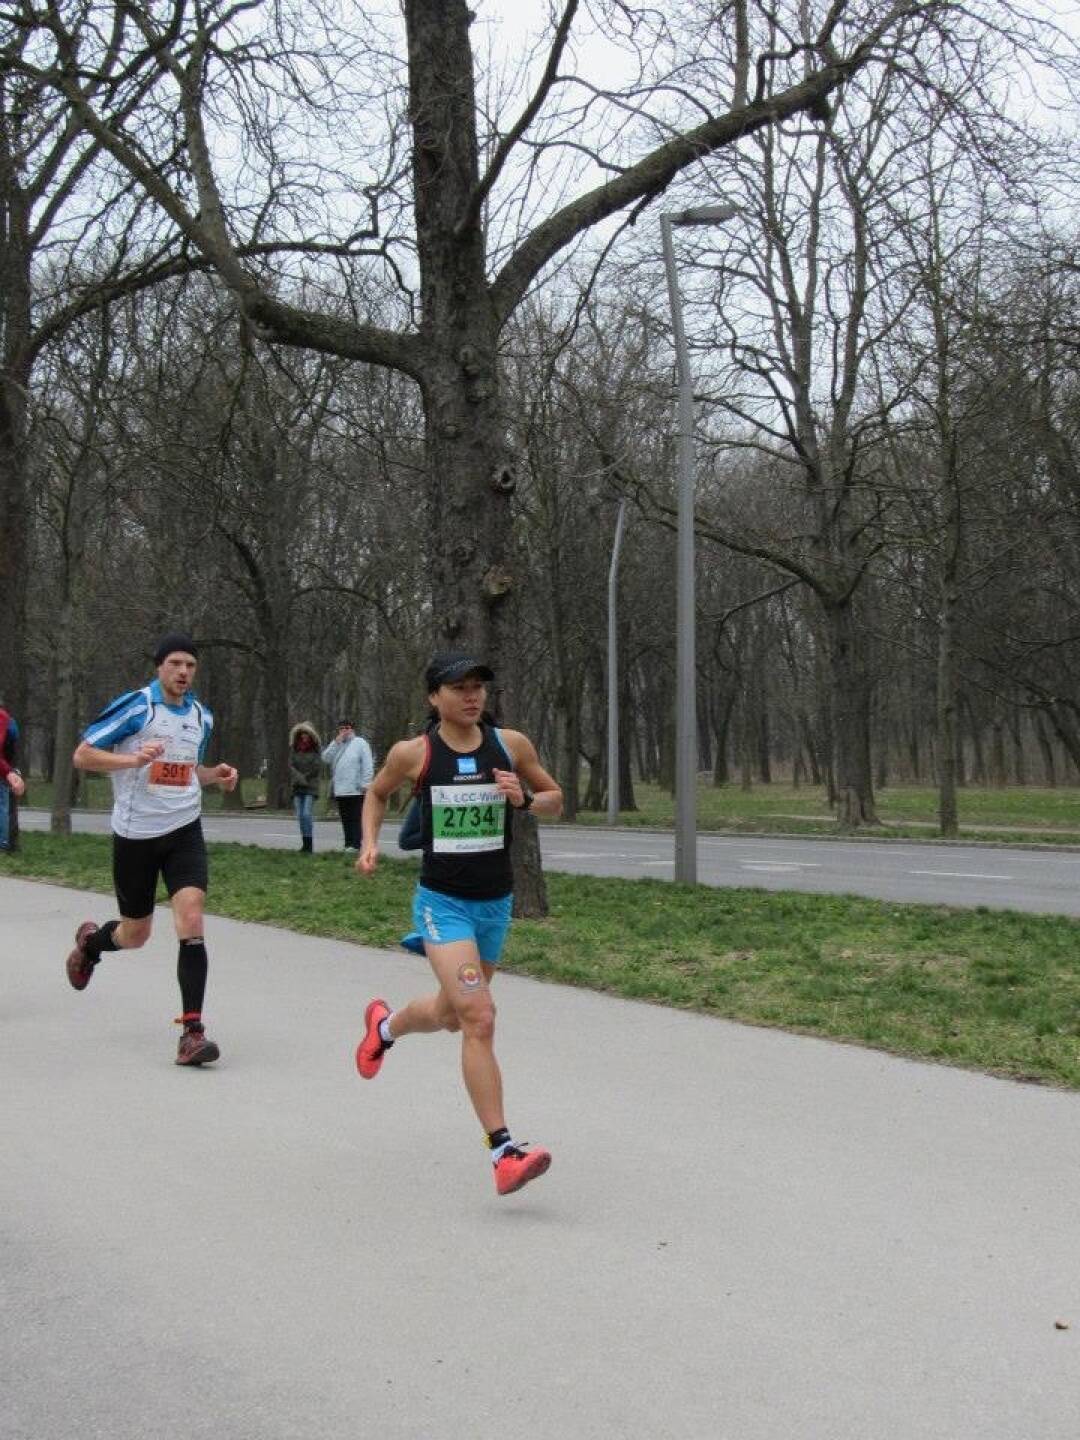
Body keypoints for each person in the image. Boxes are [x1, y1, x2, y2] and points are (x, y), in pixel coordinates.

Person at [355, 652, 563, 1196]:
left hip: (494, 904)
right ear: (434, 698)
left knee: (451, 1015)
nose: (472, 697)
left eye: (478, 688)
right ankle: (503, 1152)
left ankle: (383, 1028)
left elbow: (555, 799)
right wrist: (371, 843)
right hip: (441, 903)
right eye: (459, 688)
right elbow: (376, 793)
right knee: (480, 1017)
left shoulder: (510, 745)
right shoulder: (414, 753)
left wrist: (525, 800)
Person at [65, 633, 238, 1066]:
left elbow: (185, 772)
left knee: (192, 916)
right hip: (136, 836)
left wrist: (215, 774)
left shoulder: (203, 716)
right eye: (175, 663)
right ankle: (91, 945)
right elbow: (83, 756)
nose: (183, 672)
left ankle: (192, 1034)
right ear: (159, 667)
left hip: (183, 829)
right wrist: (131, 760)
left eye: (190, 666)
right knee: (135, 934)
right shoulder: (137, 706)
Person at [321, 719, 373, 853]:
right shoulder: (337, 744)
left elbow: (367, 764)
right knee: (345, 818)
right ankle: (348, 843)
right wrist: (335, 743)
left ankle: (356, 845)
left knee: (356, 818)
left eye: (347, 728)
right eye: (341, 728)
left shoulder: (360, 743)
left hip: (356, 789)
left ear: (352, 729)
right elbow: (325, 758)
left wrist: (366, 783)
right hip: (340, 789)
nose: (344, 731)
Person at [289, 721, 322, 854]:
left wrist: (304, 778)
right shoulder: (294, 749)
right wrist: (298, 777)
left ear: (311, 735)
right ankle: (304, 844)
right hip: (297, 786)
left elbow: (316, 767)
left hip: (310, 786)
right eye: (302, 734)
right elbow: (291, 766)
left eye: (307, 734)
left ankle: (310, 845)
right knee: (300, 816)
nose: (304, 737)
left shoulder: (316, 750)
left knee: (306, 814)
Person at [0, 700, 24, 852]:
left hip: (4, 767)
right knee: (8, 805)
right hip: (8, 765)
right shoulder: (10, 721)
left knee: (4, 804)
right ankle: (10, 843)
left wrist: (9, 770)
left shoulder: (5, 720)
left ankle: (4, 843)